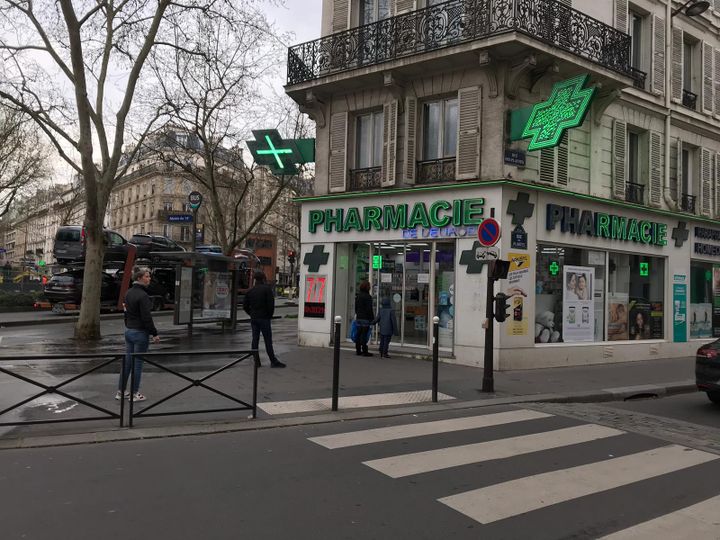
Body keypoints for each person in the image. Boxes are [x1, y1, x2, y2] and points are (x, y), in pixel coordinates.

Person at [117, 267, 159, 402]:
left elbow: (125, 312)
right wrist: (154, 333)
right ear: (139, 278)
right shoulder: (143, 296)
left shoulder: (128, 293)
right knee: (138, 363)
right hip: (140, 332)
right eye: (147, 276)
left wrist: (128, 324)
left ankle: (121, 391)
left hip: (129, 331)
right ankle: (135, 393)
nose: (149, 278)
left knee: (128, 362)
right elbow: (146, 317)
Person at [244, 271, 286, 368]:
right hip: (264, 318)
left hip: (254, 318)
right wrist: (269, 315)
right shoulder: (267, 290)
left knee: (255, 339)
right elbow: (271, 305)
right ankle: (273, 360)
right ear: (263, 279)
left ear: (255, 279)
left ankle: (257, 361)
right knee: (268, 340)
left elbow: (245, 306)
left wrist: (251, 313)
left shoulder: (250, 291)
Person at [354, 281, 374, 356]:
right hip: (365, 318)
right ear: (367, 287)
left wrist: (358, 314)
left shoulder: (358, 296)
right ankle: (365, 351)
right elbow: (369, 309)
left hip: (359, 317)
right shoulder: (368, 297)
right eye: (369, 286)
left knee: (358, 334)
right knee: (364, 335)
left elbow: (356, 307)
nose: (370, 287)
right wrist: (372, 319)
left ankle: (358, 350)